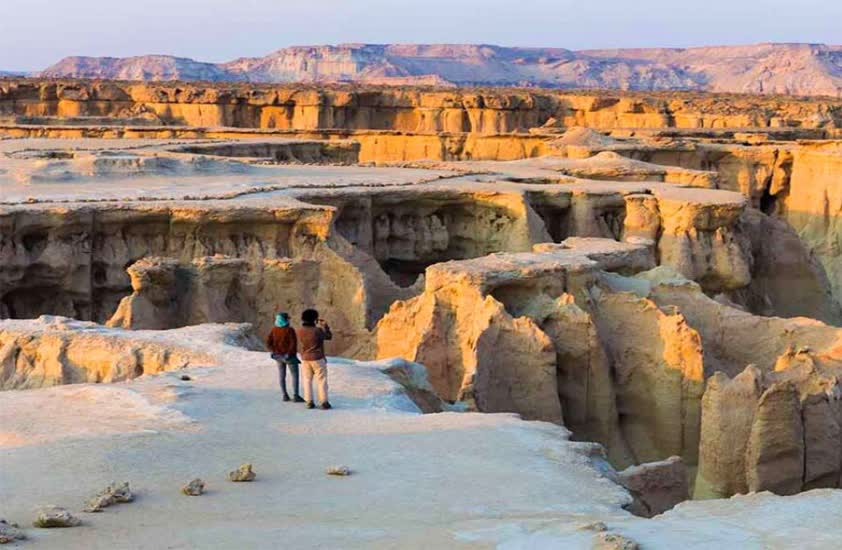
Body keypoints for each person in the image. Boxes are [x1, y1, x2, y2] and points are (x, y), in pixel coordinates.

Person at [295, 309, 332, 410]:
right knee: (321, 380)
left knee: (307, 380)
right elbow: (328, 337)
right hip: (318, 358)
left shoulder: (299, 330)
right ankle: (324, 402)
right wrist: (325, 326)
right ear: (314, 319)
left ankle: (309, 401)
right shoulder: (318, 331)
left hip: (305, 358)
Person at [266, 312, 303, 403]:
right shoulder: (289, 330)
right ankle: (296, 396)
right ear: (285, 320)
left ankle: (284, 395)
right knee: (295, 375)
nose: (289, 320)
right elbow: (293, 344)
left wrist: (274, 350)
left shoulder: (274, 329)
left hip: (278, 356)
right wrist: (289, 354)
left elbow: (268, 342)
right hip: (289, 357)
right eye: (287, 319)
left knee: (282, 375)